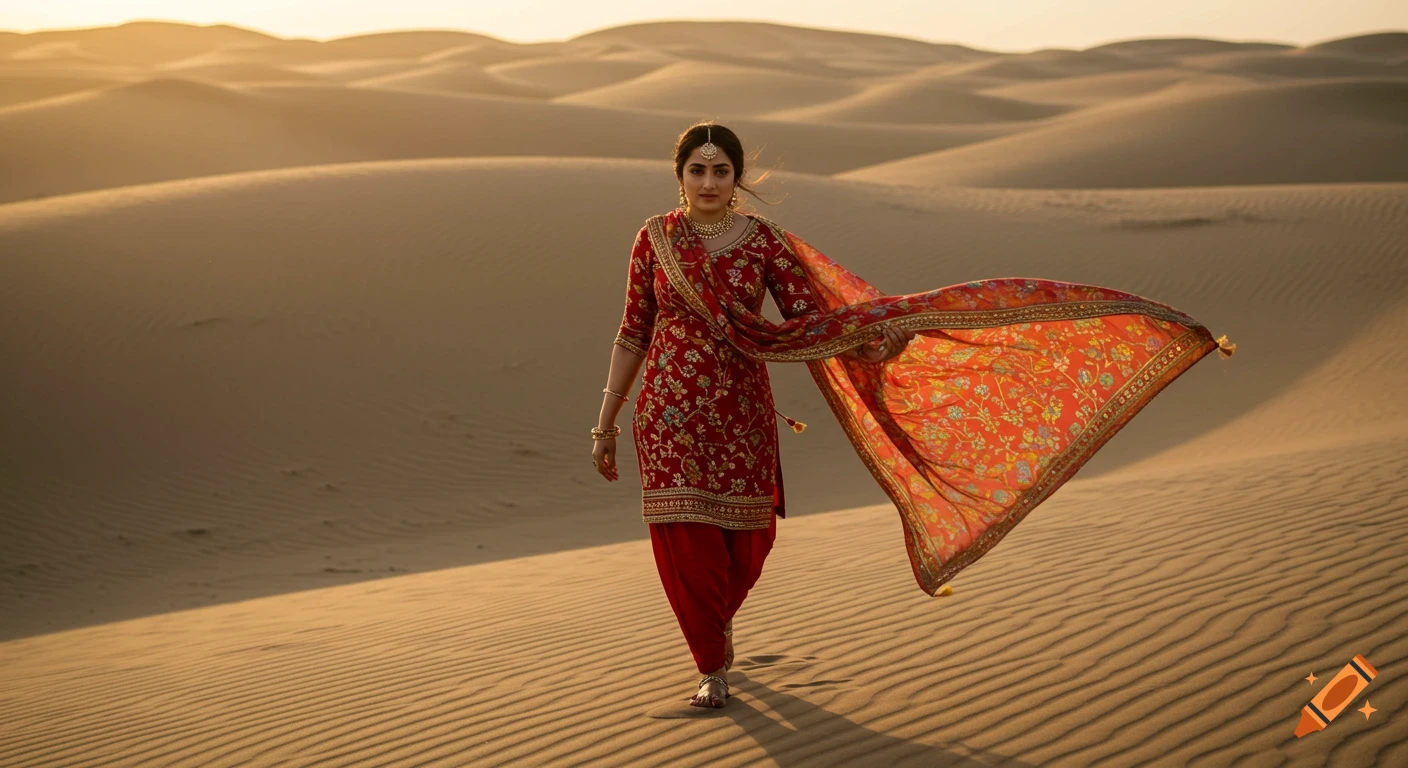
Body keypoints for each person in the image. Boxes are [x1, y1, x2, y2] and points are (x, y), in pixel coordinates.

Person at [592, 122, 1234, 710]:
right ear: (679, 176)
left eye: (721, 170)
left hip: (741, 412)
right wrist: (607, 420)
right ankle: (711, 666)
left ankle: (717, 623)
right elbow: (632, 333)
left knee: (747, 545)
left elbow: (809, 320)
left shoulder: (764, 243)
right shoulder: (655, 239)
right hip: (668, 413)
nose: (708, 182)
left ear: (738, 179)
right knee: (685, 540)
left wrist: (874, 340)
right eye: (697, 170)